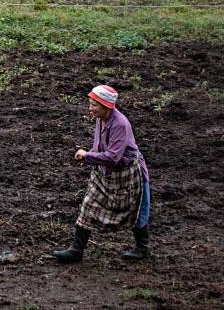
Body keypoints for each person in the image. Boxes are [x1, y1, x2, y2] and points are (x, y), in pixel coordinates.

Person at [51, 85, 152, 263]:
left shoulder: (120, 124)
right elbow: (100, 147)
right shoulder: (100, 119)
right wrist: (89, 155)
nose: (90, 108)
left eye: (94, 105)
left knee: (136, 211)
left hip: (128, 174)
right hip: (104, 171)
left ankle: (142, 248)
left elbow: (113, 156)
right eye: (90, 104)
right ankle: (76, 250)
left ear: (107, 106)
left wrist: (88, 156)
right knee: (88, 204)